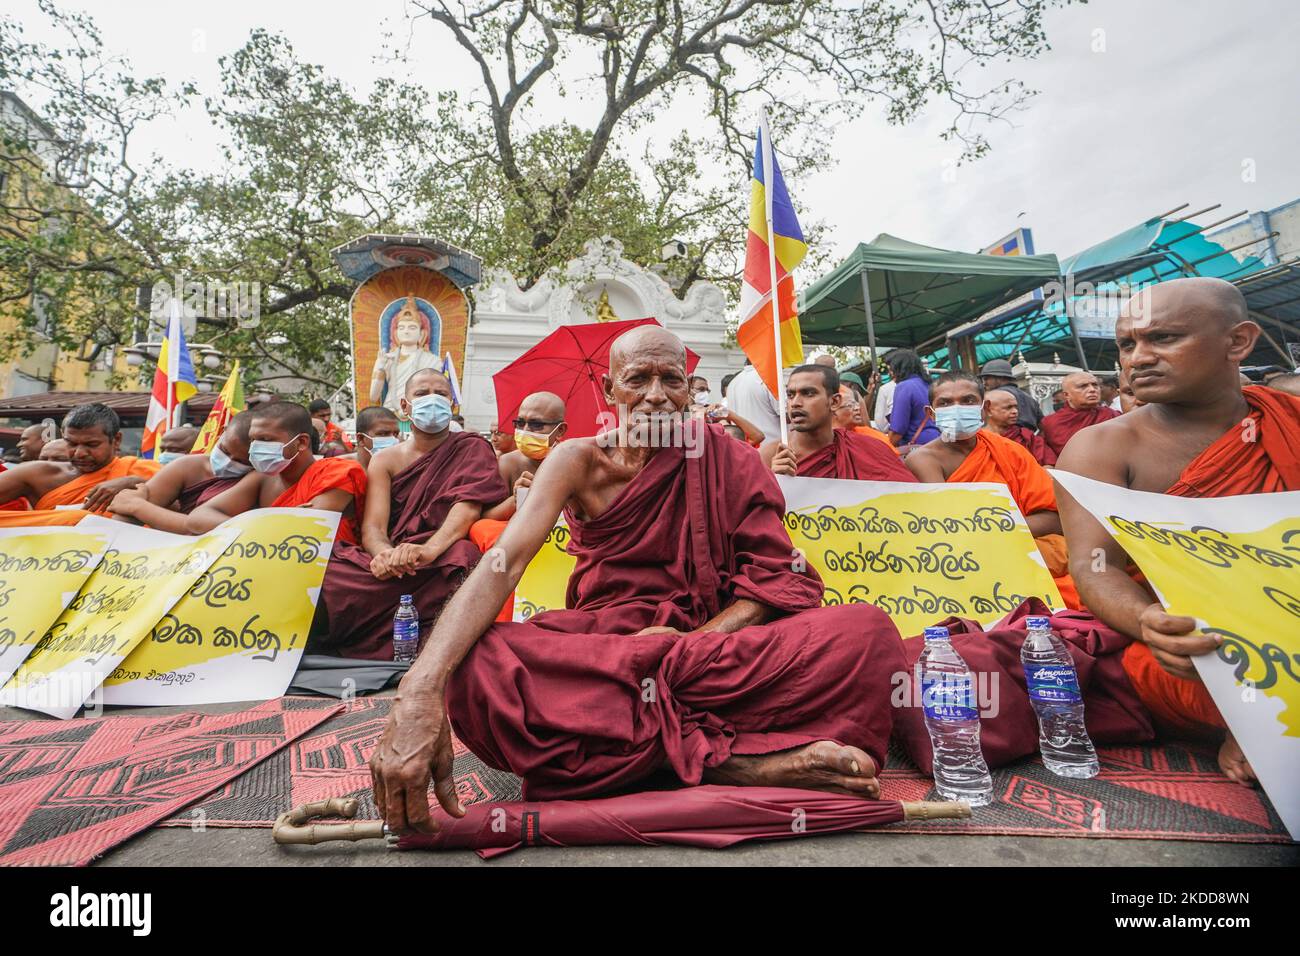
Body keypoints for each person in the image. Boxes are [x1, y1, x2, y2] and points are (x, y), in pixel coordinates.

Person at [369, 325, 907, 831]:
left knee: (866, 632)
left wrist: (694, 642)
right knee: (477, 667)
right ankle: (738, 763)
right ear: (609, 390)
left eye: (671, 380)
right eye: (638, 379)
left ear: (689, 389)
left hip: (712, 652)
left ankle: (649, 752)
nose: (656, 396)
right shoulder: (577, 460)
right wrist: (420, 687)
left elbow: (774, 577)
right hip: (611, 649)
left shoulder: (728, 457)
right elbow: (502, 564)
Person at [1056, 277, 1300, 785]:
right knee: (1178, 669)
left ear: (1238, 341)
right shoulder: (1101, 448)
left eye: (1163, 338)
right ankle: (1257, 724)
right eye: (1127, 344)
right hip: (1199, 639)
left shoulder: (1289, 421)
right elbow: (1094, 566)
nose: (1138, 358)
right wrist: (1148, 621)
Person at [318, 369, 507, 659]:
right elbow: (374, 527)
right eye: (422, 393)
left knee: (464, 557)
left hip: (439, 555)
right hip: (396, 557)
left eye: (441, 394)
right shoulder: (385, 460)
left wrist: (428, 550)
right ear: (405, 406)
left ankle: (431, 642)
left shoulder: (472, 447)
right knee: (328, 567)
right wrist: (385, 555)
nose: (432, 399)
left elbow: (467, 508)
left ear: (452, 405)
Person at [903, 372, 1080, 608]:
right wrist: (1003, 529)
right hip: (970, 565)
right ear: (931, 413)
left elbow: (1054, 519)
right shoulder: (923, 460)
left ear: (984, 408)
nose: (957, 409)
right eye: (945, 403)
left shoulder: (1010, 451)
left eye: (968, 400)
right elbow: (947, 530)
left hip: (1028, 555)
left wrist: (993, 530)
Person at [187, 402, 367, 542]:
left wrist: (259, 525)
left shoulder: (336, 472)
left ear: (301, 442)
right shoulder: (261, 478)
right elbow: (197, 518)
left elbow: (306, 529)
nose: (255, 447)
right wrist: (257, 527)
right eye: (253, 440)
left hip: (327, 568)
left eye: (265, 439)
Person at [0, 403, 160, 527]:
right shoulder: (37, 474)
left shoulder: (142, 470)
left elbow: (176, 506)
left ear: (116, 440)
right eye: (71, 443)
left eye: (91, 444)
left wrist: (135, 483)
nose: (79, 453)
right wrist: (64, 520)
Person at [761, 365, 915, 482]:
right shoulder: (770, 456)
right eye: (790, 395)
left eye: (808, 393)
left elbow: (906, 497)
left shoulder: (867, 449)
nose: (795, 403)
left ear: (834, 402)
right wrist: (774, 482)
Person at [108, 411, 255, 528]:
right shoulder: (188, 466)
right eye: (225, 450)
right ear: (223, 432)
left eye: (241, 461)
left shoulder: (259, 478)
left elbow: (220, 530)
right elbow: (124, 518)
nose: (228, 462)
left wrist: (139, 507)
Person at [478, 391, 567, 526]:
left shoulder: (573, 463)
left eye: (536, 425)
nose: (525, 430)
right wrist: (516, 499)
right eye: (520, 423)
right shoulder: (507, 463)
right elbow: (485, 517)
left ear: (560, 430)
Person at [1038, 371, 1120, 456]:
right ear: (1067, 395)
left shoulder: (1112, 415)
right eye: (1083, 386)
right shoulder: (1051, 423)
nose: (1092, 390)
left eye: (1095, 385)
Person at [984, 388, 1056, 467]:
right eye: (1008, 407)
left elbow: (1049, 464)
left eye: (1016, 407)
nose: (1015, 411)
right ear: (989, 410)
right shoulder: (979, 439)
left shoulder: (1025, 436)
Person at [885, 350, 939, 448]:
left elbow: (898, 430)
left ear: (900, 368)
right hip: (939, 440)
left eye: (891, 369)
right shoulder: (930, 384)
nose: (889, 374)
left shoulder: (904, 387)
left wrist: (886, 448)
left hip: (919, 447)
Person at [723, 362, 783, 442]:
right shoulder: (768, 377)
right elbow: (786, 414)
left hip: (745, 445)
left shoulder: (733, 382)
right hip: (771, 445)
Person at [979, 358, 1042, 431]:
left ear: (1000, 377)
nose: (984, 383)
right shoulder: (1030, 398)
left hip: (1003, 436)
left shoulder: (994, 397)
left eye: (986, 379)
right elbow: (1043, 426)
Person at [832, 385, 897, 454]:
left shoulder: (868, 434)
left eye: (856, 403)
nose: (857, 408)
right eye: (850, 405)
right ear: (833, 408)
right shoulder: (829, 440)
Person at [354, 405, 402, 471]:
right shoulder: (343, 469)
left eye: (396, 434)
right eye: (383, 434)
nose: (393, 439)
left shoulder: (402, 468)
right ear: (361, 439)